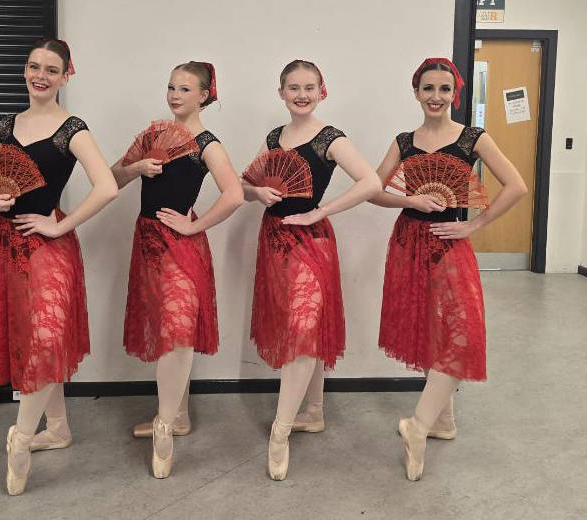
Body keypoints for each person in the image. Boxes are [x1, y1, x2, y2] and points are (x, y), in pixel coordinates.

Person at [0, 38, 118, 495]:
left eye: (51, 70)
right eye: (34, 66)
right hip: (4, 244)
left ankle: (21, 436)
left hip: (47, 245)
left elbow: (107, 186)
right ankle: (57, 428)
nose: (41, 75)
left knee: (47, 338)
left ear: (66, 75)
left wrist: (61, 225)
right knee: (31, 338)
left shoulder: (72, 129)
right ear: (25, 70)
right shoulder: (4, 127)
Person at [371, 57, 527, 480]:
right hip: (408, 242)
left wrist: (474, 225)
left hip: (449, 244)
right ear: (416, 92)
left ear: (455, 94)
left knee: (461, 333)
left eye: (444, 89)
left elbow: (517, 186)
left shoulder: (473, 138)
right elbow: (373, 189)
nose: (436, 96)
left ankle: (418, 425)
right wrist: (409, 200)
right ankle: (443, 420)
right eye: (428, 88)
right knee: (429, 329)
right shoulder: (404, 141)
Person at [243, 59, 381, 480]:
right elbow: (244, 186)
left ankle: (281, 430)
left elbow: (371, 182)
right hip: (274, 241)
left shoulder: (329, 138)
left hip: (310, 243)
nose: (301, 95)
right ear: (281, 93)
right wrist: (257, 192)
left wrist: (321, 211)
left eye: (308, 87)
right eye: (293, 88)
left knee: (304, 331)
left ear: (322, 91)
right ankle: (314, 411)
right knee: (302, 328)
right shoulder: (274, 137)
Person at [111, 61, 243, 478]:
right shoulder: (152, 137)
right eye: (171, 87)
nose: (174, 95)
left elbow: (234, 194)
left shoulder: (207, 144)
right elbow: (111, 179)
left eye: (184, 89)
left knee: (179, 330)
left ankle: (165, 425)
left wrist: (194, 225)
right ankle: (178, 415)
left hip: (181, 245)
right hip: (148, 243)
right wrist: (137, 168)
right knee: (166, 328)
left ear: (204, 95)